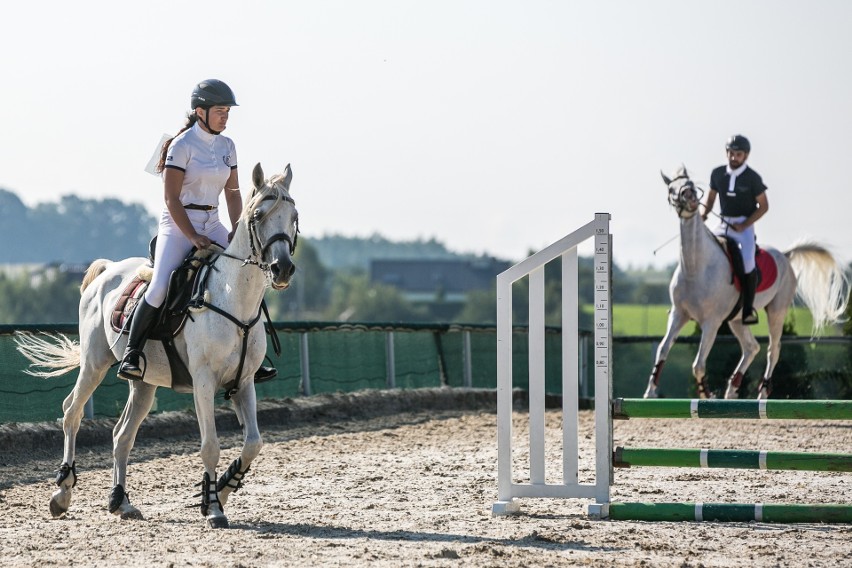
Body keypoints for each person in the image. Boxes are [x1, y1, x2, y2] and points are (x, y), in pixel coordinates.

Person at [118, 79, 276, 383]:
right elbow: (171, 198)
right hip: (178, 226)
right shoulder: (181, 146)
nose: (225, 116)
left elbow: (232, 193)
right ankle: (132, 353)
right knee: (160, 285)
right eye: (220, 111)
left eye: (228, 111)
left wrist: (236, 230)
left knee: (248, 271)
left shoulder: (228, 146)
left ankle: (254, 355)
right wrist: (192, 237)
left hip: (213, 222)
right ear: (200, 111)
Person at [702, 134, 769, 325]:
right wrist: (703, 215)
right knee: (705, 249)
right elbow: (710, 199)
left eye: (738, 154)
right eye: (731, 153)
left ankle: (748, 309)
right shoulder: (717, 174)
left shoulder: (753, 178)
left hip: (743, 226)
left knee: (748, 262)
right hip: (722, 223)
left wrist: (745, 224)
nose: (733, 157)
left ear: (746, 156)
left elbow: (763, 206)